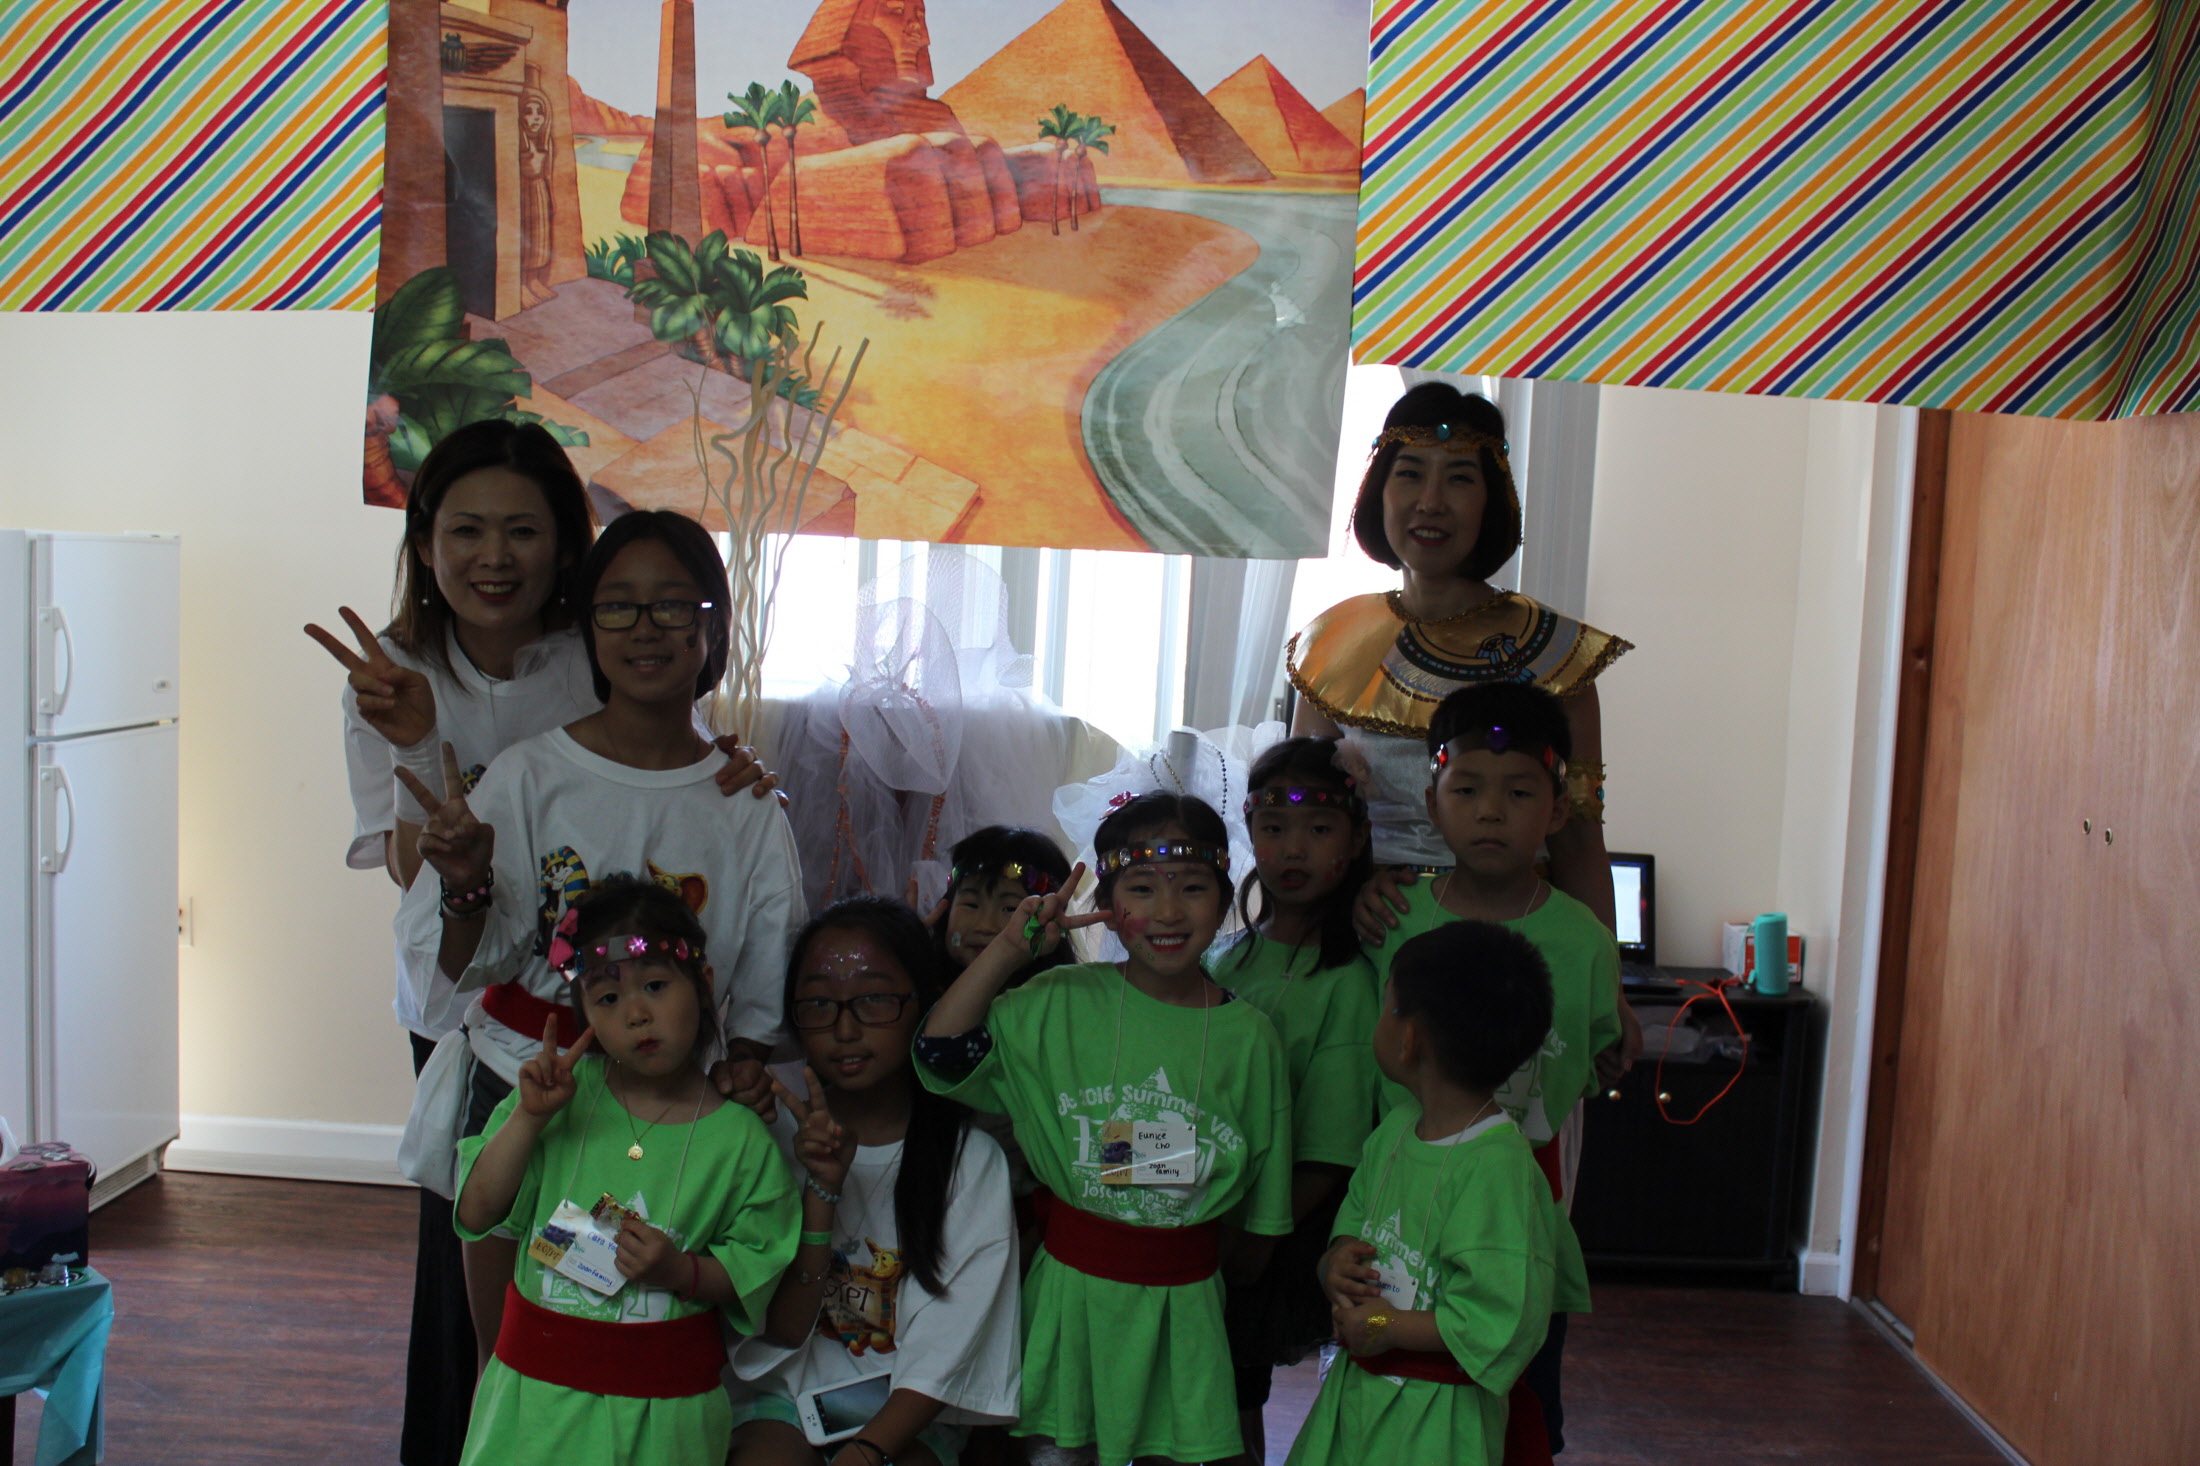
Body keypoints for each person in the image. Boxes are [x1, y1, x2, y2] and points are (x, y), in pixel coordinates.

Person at [304, 419, 775, 1466]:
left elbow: (659, 759)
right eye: (466, 530)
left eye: (522, 530)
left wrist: (731, 766)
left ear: (565, 545)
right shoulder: (387, 672)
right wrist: (430, 764)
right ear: (425, 542)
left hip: (637, 1028)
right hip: (481, 1004)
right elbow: (408, 863)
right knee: (475, 1267)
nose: (494, 557)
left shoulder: (589, 652)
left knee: (610, 1263)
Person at [397, 508, 804, 1375]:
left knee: (644, 1343)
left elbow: (766, 983)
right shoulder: (530, 775)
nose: (644, 628)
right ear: (587, 626)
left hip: (672, 1108)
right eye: (618, 606)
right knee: (512, 1357)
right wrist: (464, 882)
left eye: (673, 605)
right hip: (527, 1091)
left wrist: (743, 1067)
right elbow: (462, 961)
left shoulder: (744, 805)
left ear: (713, 626)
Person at [914, 794, 1293, 1466]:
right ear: (1109, 904)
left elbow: (1260, 1224)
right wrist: (1008, 951)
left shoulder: (1252, 1038)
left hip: (1186, 1319)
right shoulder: (1056, 1003)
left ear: (1224, 898)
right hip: (1069, 1308)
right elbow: (941, 1054)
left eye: (1192, 888)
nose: (1168, 912)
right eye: (1141, 889)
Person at [1281, 382, 1637, 1072]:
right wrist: (1351, 891)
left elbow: (1579, 836)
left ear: (1492, 500)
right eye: (1410, 473)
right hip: (1369, 941)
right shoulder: (1330, 645)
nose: (1430, 502)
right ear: (1379, 490)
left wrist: (1610, 987)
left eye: (1460, 479)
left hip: (1517, 948)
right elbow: (1304, 820)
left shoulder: (1555, 656)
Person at [454, 876, 801, 1465]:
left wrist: (681, 1271)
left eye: (656, 986)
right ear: (584, 1013)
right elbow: (477, 1210)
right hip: (534, 1410)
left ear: (704, 984)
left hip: (663, 1419)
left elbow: (757, 1266)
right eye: (608, 999)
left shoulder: (740, 1139)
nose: (637, 1014)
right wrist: (529, 1120)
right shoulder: (555, 1103)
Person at [1368, 681, 1623, 1452]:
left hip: (1522, 1198)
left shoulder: (1583, 940)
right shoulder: (1393, 917)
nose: (1489, 812)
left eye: (1517, 792)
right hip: (1402, 1190)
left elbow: (1594, 1059)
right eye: (1467, 789)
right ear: (1432, 800)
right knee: (1392, 1379)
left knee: (1521, 1392)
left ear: (1558, 808)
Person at [728, 897, 1021, 1466]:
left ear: (926, 1004)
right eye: (818, 1004)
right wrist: (820, 1191)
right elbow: (777, 1330)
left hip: (907, 1406)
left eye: (874, 1000)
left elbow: (946, 1350)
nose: (844, 1029)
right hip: (782, 1394)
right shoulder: (766, 1136)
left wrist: (866, 1452)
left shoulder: (968, 1161)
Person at [1287, 922, 1563, 1466]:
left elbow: (1500, 1320)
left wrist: (1384, 1324)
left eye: (1386, 1004)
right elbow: (1354, 1223)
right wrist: (1334, 1263)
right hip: (1360, 1394)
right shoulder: (1396, 1129)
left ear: (1409, 1037)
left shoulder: (1498, 1167)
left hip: (1438, 1420)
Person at [1208, 737, 1380, 1463]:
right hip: (1199, 1217)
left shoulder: (1349, 982)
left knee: (1230, 1399)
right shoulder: (1225, 959)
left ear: (1357, 837)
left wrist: (1256, 1241)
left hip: (1271, 1234)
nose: (1294, 849)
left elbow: (1331, 1148)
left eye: (1319, 828)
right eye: (1273, 827)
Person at [931, 826, 1076, 984]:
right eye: (971, 905)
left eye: (1010, 909)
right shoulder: (921, 988)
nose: (985, 926)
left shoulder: (1058, 994)